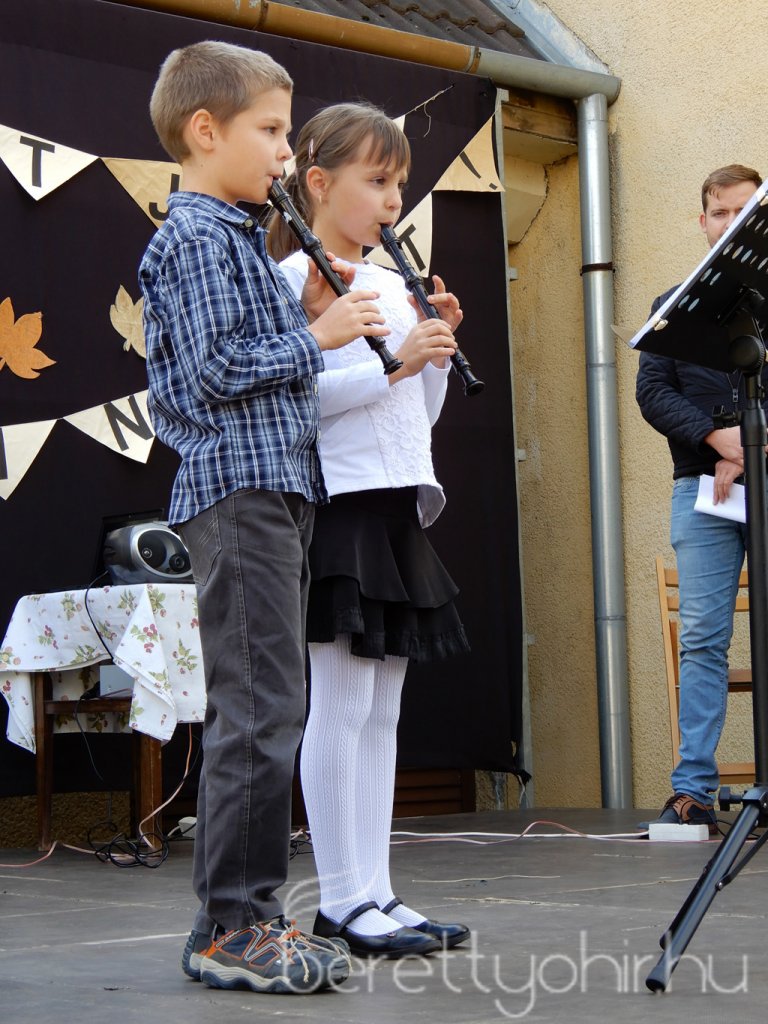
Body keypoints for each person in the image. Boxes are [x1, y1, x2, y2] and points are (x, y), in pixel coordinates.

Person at [139, 42, 393, 994]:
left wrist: (313, 318)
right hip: (237, 492)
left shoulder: (238, 237)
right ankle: (232, 928)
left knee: (272, 704)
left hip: (275, 488)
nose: (288, 153)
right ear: (206, 132)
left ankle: (245, 919)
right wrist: (312, 332)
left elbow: (252, 360)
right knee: (261, 709)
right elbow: (209, 378)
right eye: (273, 131)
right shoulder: (197, 238)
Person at [269, 102, 472, 958]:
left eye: (399, 184)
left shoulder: (392, 282)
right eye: (377, 181)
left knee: (383, 712)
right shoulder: (290, 284)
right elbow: (294, 405)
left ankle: (378, 892)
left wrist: (433, 351)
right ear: (319, 183)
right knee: (341, 707)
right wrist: (396, 362)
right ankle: (339, 899)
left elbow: (412, 413)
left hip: (395, 497)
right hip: (337, 502)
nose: (394, 200)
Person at [636, 163, 766, 832]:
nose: (731, 223)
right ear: (703, 221)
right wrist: (720, 440)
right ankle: (692, 791)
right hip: (702, 490)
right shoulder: (672, 303)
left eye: (745, 211)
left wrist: (754, 449)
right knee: (704, 638)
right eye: (721, 212)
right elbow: (652, 393)